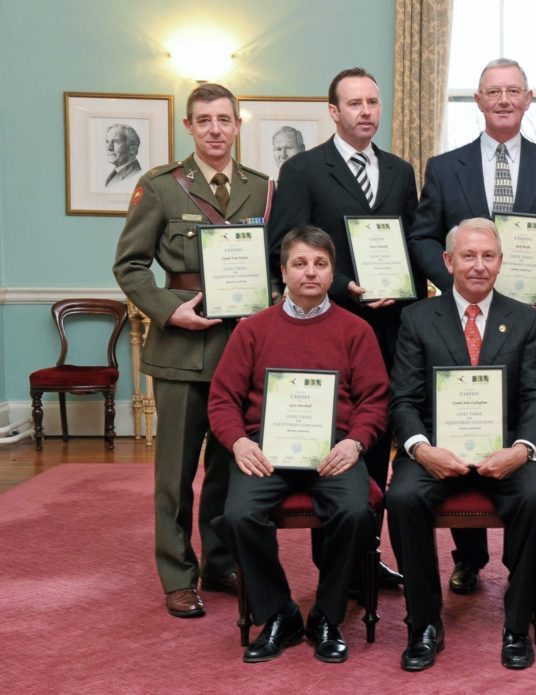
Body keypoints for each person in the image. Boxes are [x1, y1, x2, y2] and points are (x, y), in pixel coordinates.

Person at [407, 57, 536, 596]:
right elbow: (421, 238)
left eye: (513, 91)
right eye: (492, 92)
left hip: (530, 316)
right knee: (462, 418)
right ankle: (469, 554)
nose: (503, 100)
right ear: (478, 101)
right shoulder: (444, 166)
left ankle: (521, 561)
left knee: (523, 407)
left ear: (528, 99)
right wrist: (463, 281)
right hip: (460, 317)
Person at [112, 83, 273, 618]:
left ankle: (220, 563)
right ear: (188, 127)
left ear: (237, 126)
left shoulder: (261, 188)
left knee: (230, 468)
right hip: (182, 347)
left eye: (224, 120)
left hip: (241, 349)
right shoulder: (159, 186)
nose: (214, 129)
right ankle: (177, 574)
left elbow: (275, 263)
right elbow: (130, 265)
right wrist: (166, 308)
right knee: (176, 474)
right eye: (203, 120)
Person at [267, 67, 418, 589]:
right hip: (327, 326)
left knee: (373, 443)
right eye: (354, 104)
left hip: (390, 328)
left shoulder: (400, 172)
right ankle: (333, 565)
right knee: (326, 440)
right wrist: (346, 285)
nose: (366, 112)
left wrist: (404, 286)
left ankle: (366, 556)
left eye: (373, 102)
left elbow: (412, 248)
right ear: (334, 112)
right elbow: (282, 248)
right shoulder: (305, 170)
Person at [209, 226, 387, 663]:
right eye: (300, 263)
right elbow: (222, 400)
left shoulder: (356, 330)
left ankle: (327, 615)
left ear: (331, 272)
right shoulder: (253, 329)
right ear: (283, 271)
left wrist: (355, 444)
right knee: (237, 516)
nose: (311, 272)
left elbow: (375, 400)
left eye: (320, 264)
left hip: (332, 453)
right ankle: (278, 614)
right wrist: (238, 444)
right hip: (265, 452)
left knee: (355, 511)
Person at [386, 218, 536, 671]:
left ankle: (517, 622)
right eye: (468, 256)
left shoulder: (525, 320)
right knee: (401, 497)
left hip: (508, 451)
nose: (478, 266)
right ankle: (423, 623)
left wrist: (522, 450)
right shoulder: (417, 318)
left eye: (488, 256)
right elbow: (403, 398)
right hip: (437, 450)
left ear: (500, 263)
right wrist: (421, 449)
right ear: (448, 261)